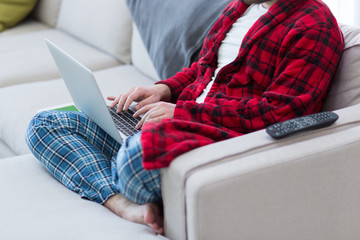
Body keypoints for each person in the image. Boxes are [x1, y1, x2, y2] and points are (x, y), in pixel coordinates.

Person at [25, 0, 344, 235]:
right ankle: (119, 200)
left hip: (213, 137)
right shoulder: (238, 8)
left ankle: (114, 171)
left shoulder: (315, 26)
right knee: (45, 124)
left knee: (137, 159)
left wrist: (182, 112)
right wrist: (163, 91)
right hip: (170, 123)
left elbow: (282, 113)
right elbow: (202, 69)